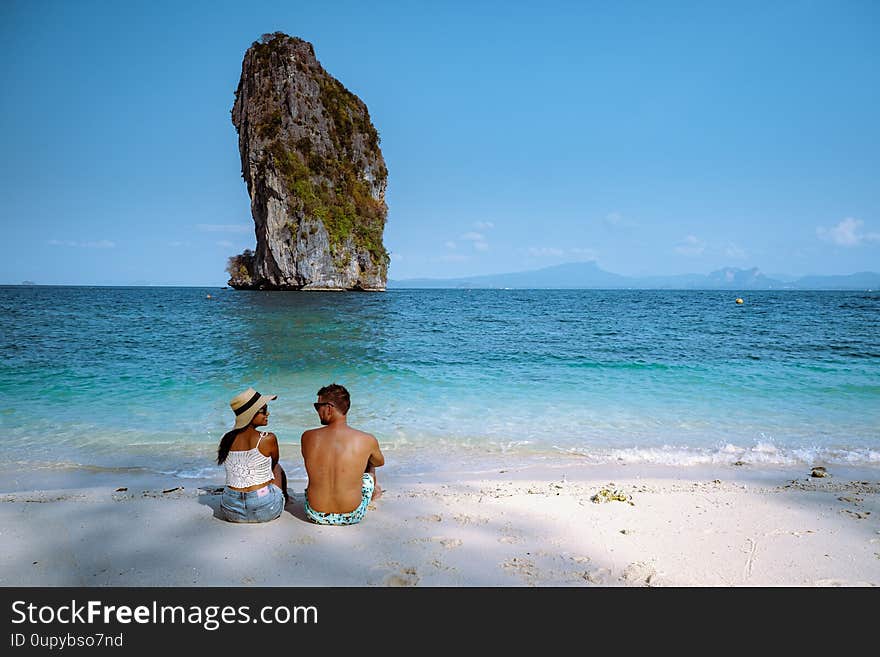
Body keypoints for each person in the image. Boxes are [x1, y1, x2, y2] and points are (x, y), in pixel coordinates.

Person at [300, 384, 384, 525]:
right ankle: (374, 493)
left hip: (315, 514)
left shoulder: (307, 437)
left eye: (317, 406)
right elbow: (380, 462)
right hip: (352, 515)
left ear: (328, 408)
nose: (317, 411)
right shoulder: (367, 439)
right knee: (370, 463)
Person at [216, 387, 289, 523]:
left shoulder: (226, 439)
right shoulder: (268, 438)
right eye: (264, 411)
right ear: (252, 414)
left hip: (231, 510)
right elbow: (274, 463)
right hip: (265, 508)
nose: (268, 414)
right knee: (277, 467)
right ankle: (284, 498)